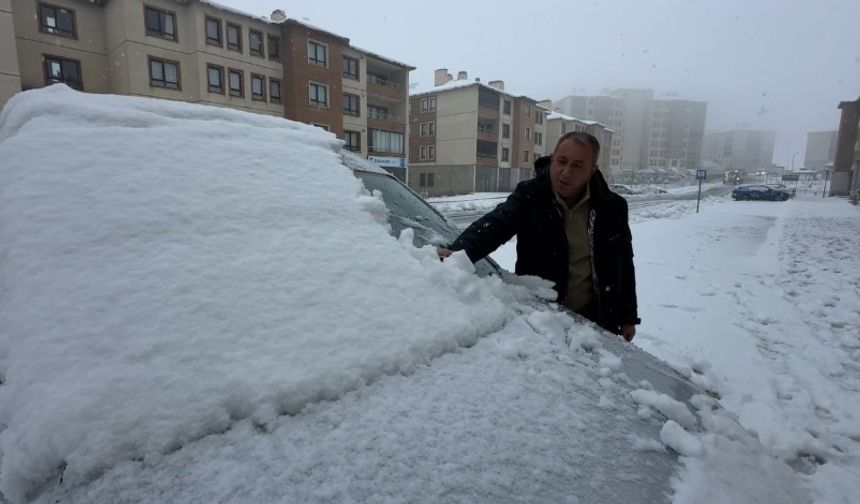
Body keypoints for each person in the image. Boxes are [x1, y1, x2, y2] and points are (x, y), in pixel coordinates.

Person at [438, 132, 640, 341]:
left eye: (577, 165)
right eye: (561, 161)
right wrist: (459, 253)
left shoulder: (612, 207)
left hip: (597, 320)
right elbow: (496, 224)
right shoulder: (532, 196)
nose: (566, 172)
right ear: (552, 159)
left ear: (592, 171)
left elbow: (624, 262)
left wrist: (628, 317)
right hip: (543, 320)